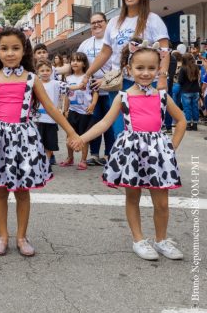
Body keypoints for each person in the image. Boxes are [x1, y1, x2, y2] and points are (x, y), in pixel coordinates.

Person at [0, 28, 79, 257]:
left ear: (24, 51)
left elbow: (51, 108)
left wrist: (71, 132)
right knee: (0, 190)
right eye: (4, 48)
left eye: (15, 48)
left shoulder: (32, 79)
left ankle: (21, 236)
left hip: (25, 139)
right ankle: (3, 236)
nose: (10, 53)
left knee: (23, 191)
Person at [70, 41, 186, 261]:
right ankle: (138, 239)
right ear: (129, 69)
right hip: (131, 153)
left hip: (158, 155)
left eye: (151, 68)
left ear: (158, 69)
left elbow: (181, 121)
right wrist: (81, 138)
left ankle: (161, 240)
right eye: (140, 68)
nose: (145, 73)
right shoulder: (122, 97)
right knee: (133, 198)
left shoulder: (162, 96)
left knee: (162, 203)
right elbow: (104, 123)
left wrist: (171, 148)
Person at [84, 0, 170, 136]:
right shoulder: (114, 22)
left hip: (146, 81)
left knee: (144, 126)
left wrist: (162, 77)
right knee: (119, 127)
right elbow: (105, 52)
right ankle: (123, 150)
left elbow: (164, 50)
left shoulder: (153, 19)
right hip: (120, 82)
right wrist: (87, 74)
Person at [77, 12, 114, 166]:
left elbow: (120, 65)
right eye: (93, 22)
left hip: (111, 90)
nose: (96, 25)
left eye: (100, 21)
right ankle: (94, 154)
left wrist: (104, 80)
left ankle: (109, 154)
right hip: (92, 92)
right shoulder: (85, 44)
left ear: (106, 23)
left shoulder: (113, 41)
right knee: (93, 122)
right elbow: (77, 64)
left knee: (110, 124)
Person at [59, 52, 98, 170]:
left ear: (84, 64)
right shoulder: (67, 78)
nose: (75, 63)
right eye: (73, 60)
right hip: (72, 111)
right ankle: (70, 158)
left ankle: (83, 160)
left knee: (84, 137)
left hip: (85, 112)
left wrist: (93, 104)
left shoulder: (88, 77)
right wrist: (65, 110)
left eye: (78, 60)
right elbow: (67, 95)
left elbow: (95, 92)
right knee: (70, 136)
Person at [34, 59, 68, 166]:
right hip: (37, 119)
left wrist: (81, 85)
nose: (45, 73)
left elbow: (70, 88)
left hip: (51, 119)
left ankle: (46, 165)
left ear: (52, 71)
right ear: (37, 72)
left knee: (49, 144)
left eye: (47, 70)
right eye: (42, 70)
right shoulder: (34, 84)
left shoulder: (56, 83)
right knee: (37, 144)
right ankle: (38, 165)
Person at [178, 53, 201, 131]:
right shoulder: (196, 67)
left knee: (187, 108)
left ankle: (188, 124)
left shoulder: (183, 68)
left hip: (186, 90)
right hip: (195, 90)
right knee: (195, 107)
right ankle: (195, 124)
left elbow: (180, 81)